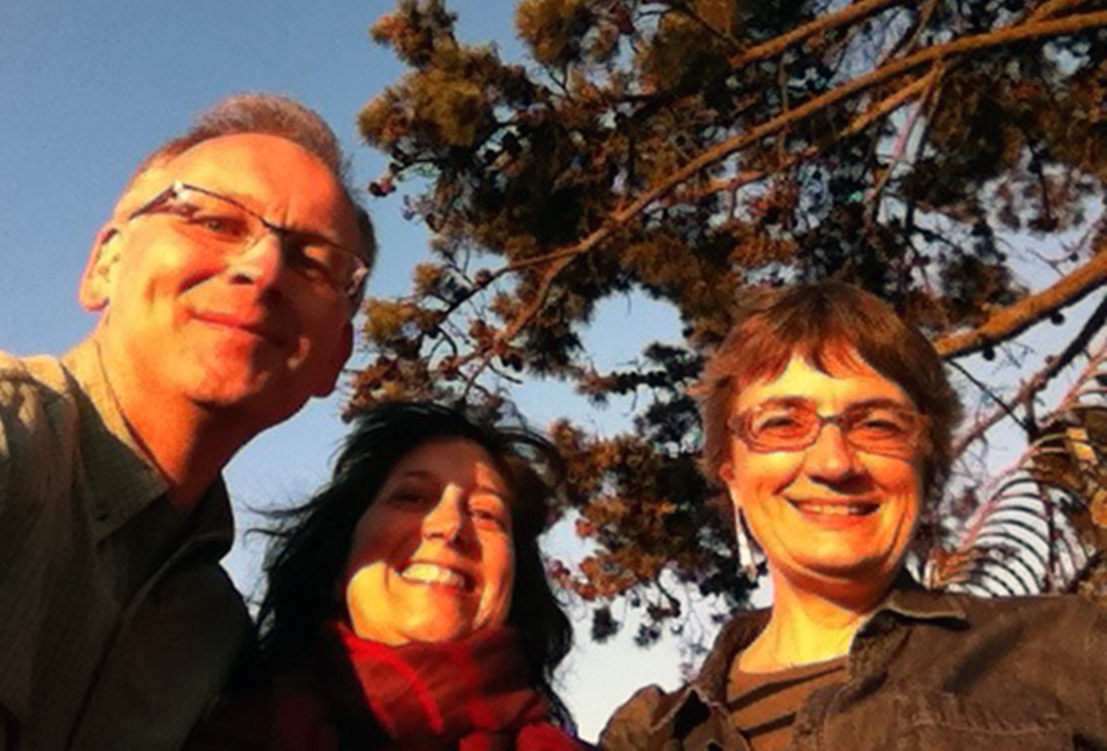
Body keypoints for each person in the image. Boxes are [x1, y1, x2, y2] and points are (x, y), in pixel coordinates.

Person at [0, 93, 376, 749]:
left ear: (336, 358)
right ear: (106, 263)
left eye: (311, 261)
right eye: (214, 221)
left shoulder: (218, 643)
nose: (264, 269)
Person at [600, 282, 1107, 750]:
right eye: (782, 423)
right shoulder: (650, 736)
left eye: (878, 424)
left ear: (924, 466)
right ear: (731, 475)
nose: (834, 463)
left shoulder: (1072, 652)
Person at [188, 400, 583, 750]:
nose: (449, 526)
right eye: (411, 497)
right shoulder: (198, 726)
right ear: (339, 561)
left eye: (485, 514)